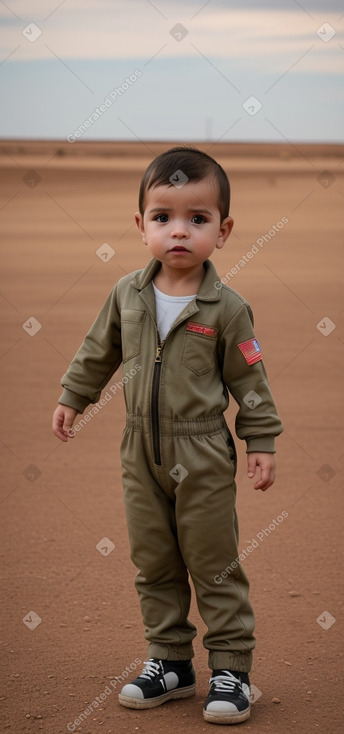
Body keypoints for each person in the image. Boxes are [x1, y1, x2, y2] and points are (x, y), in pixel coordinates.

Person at [52, 146, 283, 726]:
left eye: (198, 219)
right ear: (141, 225)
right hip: (139, 450)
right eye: (163, 217)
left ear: (223, 231)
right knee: (153, 560)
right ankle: (171, 661)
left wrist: (261, 441)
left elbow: (250, 381)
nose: (179, 231)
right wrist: (73, 396)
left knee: (213, 561)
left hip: (201, 451)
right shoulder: (127, 295)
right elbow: (95, 352)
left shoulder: (226, 309)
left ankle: (231, 668)